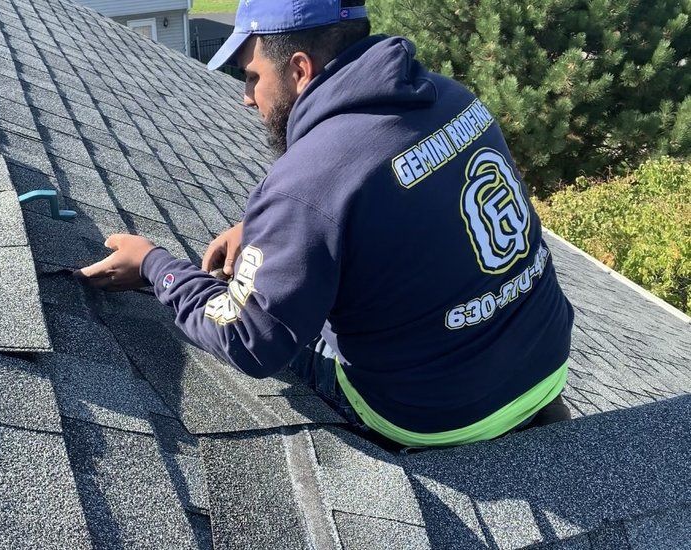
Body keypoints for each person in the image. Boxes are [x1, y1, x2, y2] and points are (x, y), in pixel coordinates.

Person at [75, 0, 574, 450]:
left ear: (298, 69)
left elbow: (250, 340)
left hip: (435, 413)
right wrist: (261, 225)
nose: (246, 97)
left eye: (251, 76)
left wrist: (154, 265)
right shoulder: (451, 98)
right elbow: (384, 191)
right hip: (544, 359)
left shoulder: (308, 182)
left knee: (297, 338)